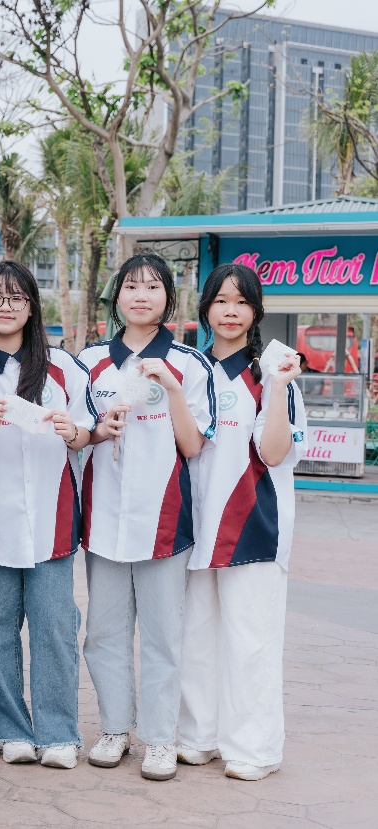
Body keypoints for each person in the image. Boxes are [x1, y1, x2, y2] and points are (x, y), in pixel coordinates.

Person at [77, 253, 216, 781]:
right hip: (104, 521)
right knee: (103, 633)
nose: (141, 295)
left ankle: (160, 738)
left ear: (168, 298)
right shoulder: (89, 361)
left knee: (162, 636)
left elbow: (193, 444)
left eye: (153, 286)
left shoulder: (189, 363)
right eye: (131, 286)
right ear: (117, 296)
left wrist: (172, 388)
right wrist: (98, 429)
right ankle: (115, 728)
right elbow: (76, 432)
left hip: (165, 521)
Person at [177, 264, 306, 782]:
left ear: (255, 311)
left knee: (251, 640)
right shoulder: (188, 369)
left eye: (242, 302)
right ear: (205, 307)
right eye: (221, 301)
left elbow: (274, 453)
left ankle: (254, 748)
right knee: (196, 636)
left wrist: (278, 389)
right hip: (193, 527)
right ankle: (198, 736)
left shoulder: (273, 372)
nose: (230, 311)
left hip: (255, 526)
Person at [0, 261, 96, 771]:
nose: (6, 306)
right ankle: (9, 730)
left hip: (51, 519)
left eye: (16, 297)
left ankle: (59, 732)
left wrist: (73, 431)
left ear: (31, 307)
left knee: (55, 629)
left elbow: (90, 431)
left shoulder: (63, 366)